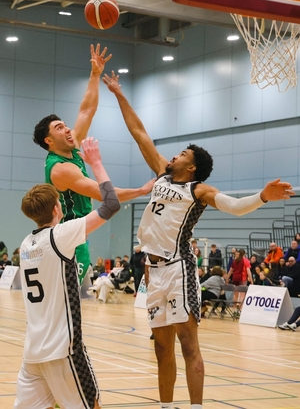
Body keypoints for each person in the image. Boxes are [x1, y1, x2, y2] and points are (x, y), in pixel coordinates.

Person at [102, 70, 294, 409]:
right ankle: (166, 406)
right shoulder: (162, 173)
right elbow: (138, 132)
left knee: (189, 345)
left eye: (182, 155)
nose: (174, 156)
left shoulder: (198, 190)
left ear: (191, 168)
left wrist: (262, 196)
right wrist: (119, 94)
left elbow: (234, 207)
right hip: (154, 269)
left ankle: (196, 407)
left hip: (179, 269)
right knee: (161, 348)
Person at [33, 44, 153, 287]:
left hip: (77, 233)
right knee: (68, 300)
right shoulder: (61, 169)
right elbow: (105, 195)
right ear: (48, 141)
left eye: (65, 125)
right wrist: (140, 191)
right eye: (59, 128)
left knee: (70, 300)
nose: (67, 129)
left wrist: (95, 73)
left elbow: (87, 109)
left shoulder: (71, 148)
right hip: (68, 236)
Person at [14, 137, 120, 409]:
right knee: (91, 405)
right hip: (63, 350)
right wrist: (95, 163)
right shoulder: (60, 234)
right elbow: (110, 205)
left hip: (33, 351)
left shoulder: (26, 244)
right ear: (57, 208)